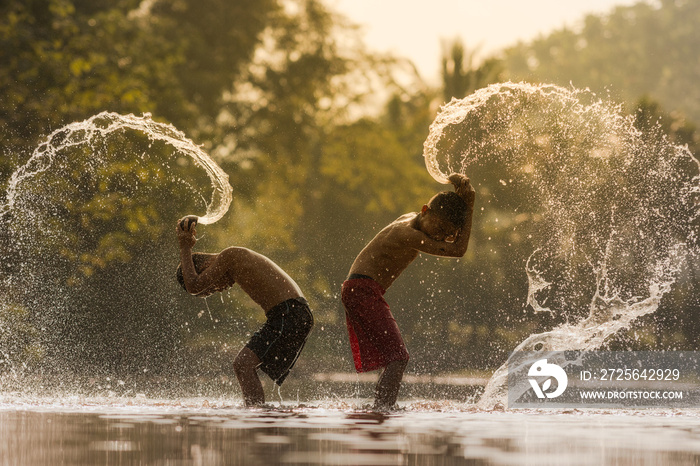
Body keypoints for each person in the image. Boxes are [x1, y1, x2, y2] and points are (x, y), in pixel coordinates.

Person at [341, 174, 475, 410]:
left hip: (362, 289)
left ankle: (380, 407)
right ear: (425, 210)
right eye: (439, 228)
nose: (439, 236)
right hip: (362, 289)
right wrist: (471, 206)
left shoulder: (411, 219)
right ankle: (382, 410)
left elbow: (450, 234)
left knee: (394, 358)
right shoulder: (408, 235)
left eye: (447, 234)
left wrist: (461, 203)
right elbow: (459, 250)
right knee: (398, 357)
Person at [176, 216, 314, 406]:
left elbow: (193, 285)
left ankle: (256, 417)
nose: (218, 289)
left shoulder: (230, 256)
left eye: (211, 287)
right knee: (243, 366)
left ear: (205, 267)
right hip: (290, 314)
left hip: (289, 314)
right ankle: (261, 412)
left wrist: (185, 247)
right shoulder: (234, 260)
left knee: (242, 365)